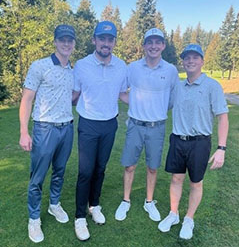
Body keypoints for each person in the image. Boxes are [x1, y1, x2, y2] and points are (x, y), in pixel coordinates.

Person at [158, 44, 229, 240]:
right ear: (183, 61)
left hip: (199, 143)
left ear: (202, 61)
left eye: (195, 57)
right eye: (187, 57)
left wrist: (221, 148)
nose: (190, 61)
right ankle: (173, 214)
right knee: (176, 179)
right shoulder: (178, 87)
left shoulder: (212, 86)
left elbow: (222, 117)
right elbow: (162, 103)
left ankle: (189, 218)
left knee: (196, 182)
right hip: (177, 140)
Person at [115, 28, 179, 222]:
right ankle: (126, 200)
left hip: (157, 127)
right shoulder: (132, 68)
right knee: (130, 166)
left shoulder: (170, 70)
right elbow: (121, 91)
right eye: (149, 42)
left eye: (157, 42)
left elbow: (172, 100)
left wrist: (156, 110)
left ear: (163, 46)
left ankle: (149, 202)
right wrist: (135, 103)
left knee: (152, 167)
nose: (153, 46)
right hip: (135, 125)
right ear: (143, 45)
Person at [19, 24, 76, 243]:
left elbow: (69, 96)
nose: (66, 43)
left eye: (69, 40)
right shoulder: (40, 66)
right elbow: (27, 99)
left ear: (73, 43)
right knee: (38, 177)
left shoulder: (73, 69)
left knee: (60, 171)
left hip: (67, 127)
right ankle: (34, 219)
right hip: (45, 129)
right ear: (55, 41)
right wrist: (24, 132)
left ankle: (54, 205)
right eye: (62, 39)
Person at [72, 21, 127, 241]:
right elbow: (74, 95)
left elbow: (123, 94)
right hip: (88, 123)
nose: (106, 43)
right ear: (94, 40)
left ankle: (94, 205)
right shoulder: (82, 65)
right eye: (102, 38)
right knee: (85, 171)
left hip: (109, 124)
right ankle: (79, 217)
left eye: (110, 39)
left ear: (114, 42)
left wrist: (150, 104)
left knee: (101, 168)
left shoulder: (121, 66)